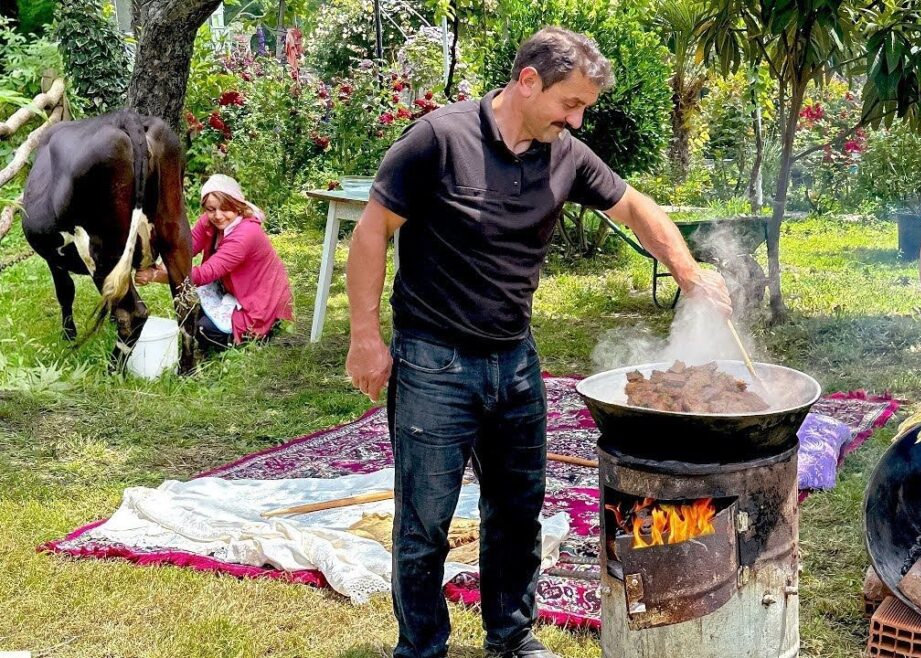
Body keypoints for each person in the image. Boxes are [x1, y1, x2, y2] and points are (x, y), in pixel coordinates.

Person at [345, 27, 732, 658]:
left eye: (584, 107)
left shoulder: (565, 154)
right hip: (433, 360)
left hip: (515, 361)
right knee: (424, 524)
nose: (577, 119)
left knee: (518, 512)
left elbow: (634, 207)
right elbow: (371, 233)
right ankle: (421, 649)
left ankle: (511, 637)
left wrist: (688, 273)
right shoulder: (438, 140)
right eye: (570, 104)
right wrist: (365, 336)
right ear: (528, 81)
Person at [136, 174, 293, 350]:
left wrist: (156, 276)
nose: (218, 216)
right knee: (192, 313)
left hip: (257, 301)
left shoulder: (246, 235)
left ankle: (261, 332)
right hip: (235, 289)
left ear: (238, 207)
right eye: (211, 209)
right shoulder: (210, 221)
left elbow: (207, 272)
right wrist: (162, 266)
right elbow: (188, 247)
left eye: (225, 208)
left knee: (203, 330)